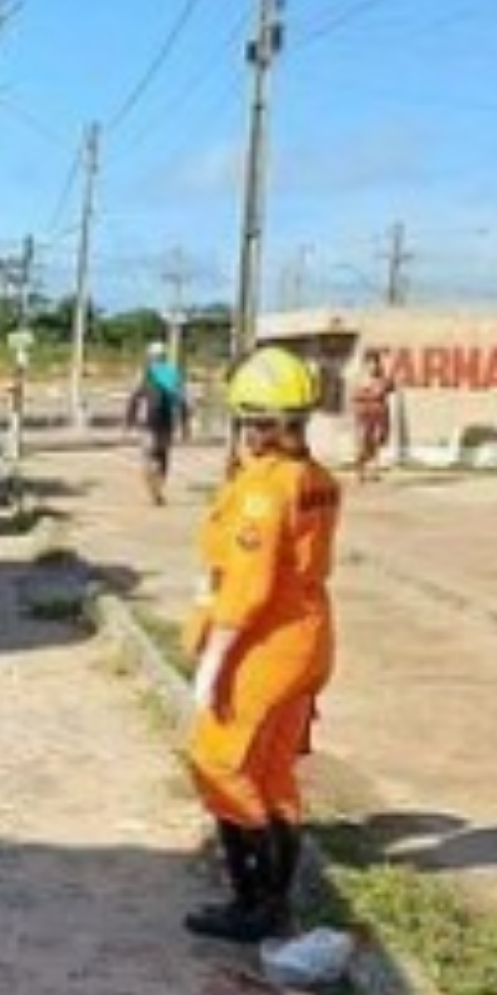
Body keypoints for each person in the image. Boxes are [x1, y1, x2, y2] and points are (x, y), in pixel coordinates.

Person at [179, 346, 339, 943]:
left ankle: (254, 903)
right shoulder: (313, 479)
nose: (243, 431)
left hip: (264, 646)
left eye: (248, 420)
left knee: (220, 763)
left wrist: (215, 662)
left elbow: (247, 589)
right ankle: (274, 900)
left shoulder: (264, 492)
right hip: (305, 638)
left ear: (262, 420)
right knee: (271, 772)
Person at [124, 344, 189, 506]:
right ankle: (159, 488)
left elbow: (134, 398)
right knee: (163, 456)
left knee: (147, 457)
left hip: (147, 423)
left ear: (149, 356)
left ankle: (153, 490)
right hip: (167, 422)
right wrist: (185, 425)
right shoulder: (172, 374)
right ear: (164, 356)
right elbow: (182, 401)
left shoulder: (144, 373)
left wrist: (129, 420)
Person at [351, 349, 396, 483]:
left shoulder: (382, 378)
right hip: (364, 413)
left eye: (376, 363)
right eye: (370, 363)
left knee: (377, 441)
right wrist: (369, 393)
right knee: (363, 443)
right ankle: (360, 470)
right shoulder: (359, 378)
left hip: (380, 413)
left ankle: (375, 470)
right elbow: (353, 396)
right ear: (365, 364)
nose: (373, 366)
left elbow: (391, 387)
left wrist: (387, 381)